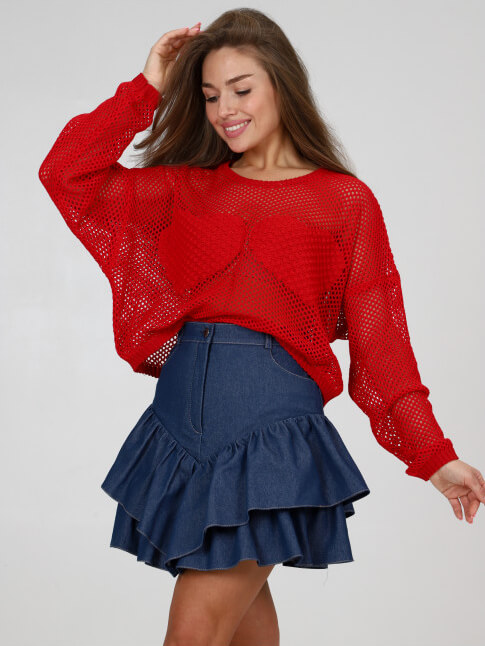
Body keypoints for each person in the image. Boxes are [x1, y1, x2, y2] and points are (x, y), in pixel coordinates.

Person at [38, 8, 485, 646]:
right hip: (178, 430)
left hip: (269, 433)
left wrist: (432, 456)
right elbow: (66, 172)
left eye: (241, 89)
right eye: (209, 95)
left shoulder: (342, 201)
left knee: (192, 633)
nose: (225, 110)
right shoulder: (184, 190)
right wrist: (147, 90)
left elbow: (382, 346)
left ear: (281, 84)